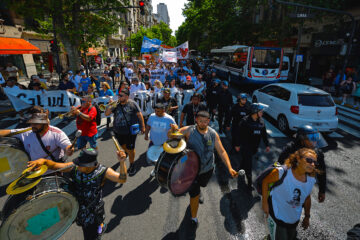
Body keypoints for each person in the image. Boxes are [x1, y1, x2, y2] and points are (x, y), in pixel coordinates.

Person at [28, 148, 127, 240]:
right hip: (77, 207)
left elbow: (122, 179)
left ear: (90, 165)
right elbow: (54, 166)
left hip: (92, 212)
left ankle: (99, 228)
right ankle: (100, 225)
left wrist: (122, 162)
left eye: (80, 164)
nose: (77, 165)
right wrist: (43, 161)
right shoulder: (74, 167)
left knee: (90, 236)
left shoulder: (103, 171)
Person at [168, 111, 238, 231]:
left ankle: (198, 192)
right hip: (190, 170)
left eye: (205, 121)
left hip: (207, 169)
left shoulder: (213, 134)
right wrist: (173, 130)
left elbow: (222, 151)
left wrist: (230, 167)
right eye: (200, 121)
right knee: (194, 193)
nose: (203, 123)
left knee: (202, 185)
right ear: (196, 120)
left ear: (209, 121)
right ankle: (194, 217)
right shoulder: (188, 130)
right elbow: (171, 136)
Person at [262, 148, 320, 240]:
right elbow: (265, 182)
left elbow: (307, 197)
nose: (312, 164)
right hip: (277, 216)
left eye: (315, 163)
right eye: (309, 160)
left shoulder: (311, 180)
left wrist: (307, 216)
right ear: (298, 158)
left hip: (293, 220)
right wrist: (264, 203)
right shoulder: (282, 172)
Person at [278, 125, 327, 203]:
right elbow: (279, 167)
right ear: (302, 139)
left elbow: (322, 172)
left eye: (316, 136)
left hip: (304, 186)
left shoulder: (317, 153)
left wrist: (322, 190)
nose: (315, 140)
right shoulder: (290, 149)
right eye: (312, 137)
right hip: (288, 185)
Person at [0, 111, 74, 162]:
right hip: (33, 172)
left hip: (52, 170)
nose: (32, 126)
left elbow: (67, 146)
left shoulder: (57, 133)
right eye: (32, 123)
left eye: (36, 124)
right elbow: (8, 132)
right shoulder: (27, 131)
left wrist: (69, 150)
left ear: (45, 124)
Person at [105, 88, 145, 175]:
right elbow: (107, 114)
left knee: (130, 149)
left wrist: (143, 126)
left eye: (121, 96)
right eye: (118, 95)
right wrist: (110, 105)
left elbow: (139, 114)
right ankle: (126, 152)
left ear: (126, 97)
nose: (119, 97)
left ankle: (132, 164)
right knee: (123, 146)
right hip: (118, 131)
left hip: (130, 132)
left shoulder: (132, 104)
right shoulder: (115, 104)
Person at [235, 103, 270, 190]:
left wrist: (267, 145)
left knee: (245, 160)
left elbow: (264, 134)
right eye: (261, 111)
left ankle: (240, 169)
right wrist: (237, 144)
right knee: (249, 164)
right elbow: (238, 134)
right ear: (255, 112)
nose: (262, 113)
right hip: (246, 146)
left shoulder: (261, 121)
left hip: (255, 147)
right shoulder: (245, 121)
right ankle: (249, 183)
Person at [145, 103, 175, 176]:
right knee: (154, 158)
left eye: (158, 111)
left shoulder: (169, 119)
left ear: (163, 110)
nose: (156, 113)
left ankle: (163, 171)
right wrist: (146, 134)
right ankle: (156, 169)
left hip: (164, 143)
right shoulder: (152, 116)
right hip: (153, 142)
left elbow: (175, 129)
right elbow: (148, 126)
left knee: (163, 159)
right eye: (155, 111)